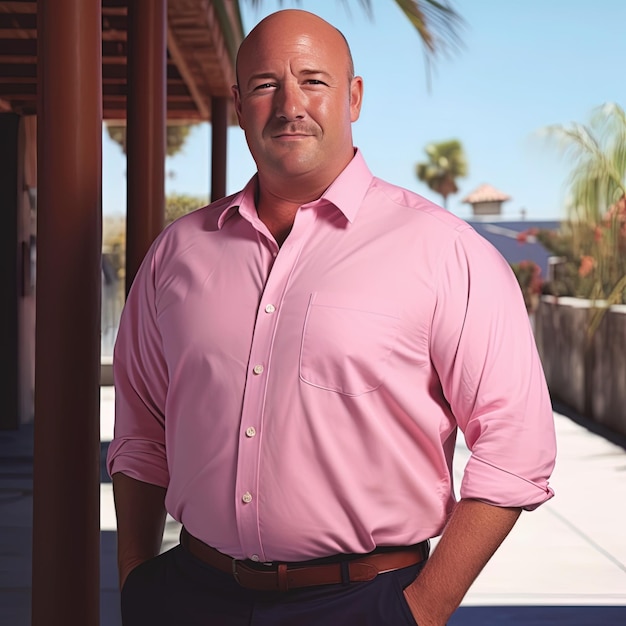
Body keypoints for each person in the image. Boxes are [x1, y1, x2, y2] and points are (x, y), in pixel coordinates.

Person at [107, 9, 557, 626]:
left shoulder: (445, 252)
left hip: (365, 601)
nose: (290, 103)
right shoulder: (176, 255)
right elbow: (140, 431)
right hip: (189, 592)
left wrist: (422, 612)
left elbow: (516, 449)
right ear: (239, 103)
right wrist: (138, 579)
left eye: (313, 80)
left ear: (355, 97)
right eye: (266, 84)